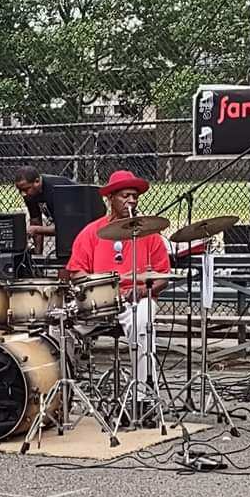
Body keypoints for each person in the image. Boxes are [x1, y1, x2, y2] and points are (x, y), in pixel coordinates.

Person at [66, 169, 170, 405]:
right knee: (59, 324)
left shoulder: (150, 235)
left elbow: (163, 277)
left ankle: (142, 395)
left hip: (136, 299)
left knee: (142, 321)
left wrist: (143, 291)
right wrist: (94, 289)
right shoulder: (91, 232)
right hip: (99, 301)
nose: (131, 200)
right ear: (110, 198)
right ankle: (62, 393)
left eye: (134, 196)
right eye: (125, 195)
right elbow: (77, 272)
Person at [14, 165, 75, 254]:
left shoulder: (58, 189)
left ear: (37, 181)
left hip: (86, 226)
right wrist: (37, 255)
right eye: (20, 190)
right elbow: (35, 221)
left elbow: (66, 228)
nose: (23, 194)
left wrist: (36, 230)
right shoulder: (30, 194)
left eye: (26, 189)